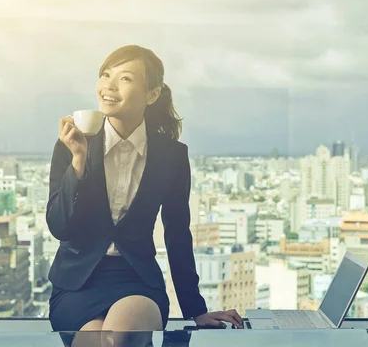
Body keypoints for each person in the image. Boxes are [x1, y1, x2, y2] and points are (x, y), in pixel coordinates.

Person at [46, 45, 243, 344]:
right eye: (105, 75)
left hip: (136, 280)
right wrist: (78, 163)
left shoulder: (171, 156)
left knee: (117, 337)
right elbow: (60, 227)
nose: (108, 86)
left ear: (151, 94)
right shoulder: (71, 144)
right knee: (93, 342)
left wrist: (195, 310)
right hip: (76, 285)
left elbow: (177, 233)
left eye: (125, 78)